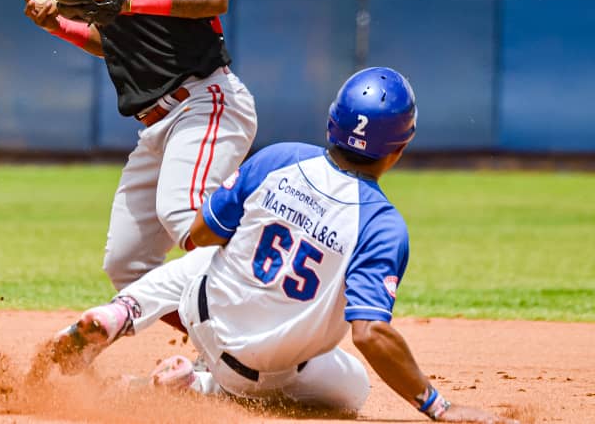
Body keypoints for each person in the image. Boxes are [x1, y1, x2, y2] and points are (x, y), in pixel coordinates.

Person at [42, 67, 518, 424]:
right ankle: (197, 385)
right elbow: (370, 333)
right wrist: (438, 406)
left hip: (204, 311)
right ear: (399, 148)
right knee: (354, 388)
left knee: (208, 259)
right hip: (266, 368)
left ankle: (122, 312)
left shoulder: (279, 159)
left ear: (332, 122)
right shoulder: (381, 225)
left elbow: (202, 233)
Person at [23, 0, 259, 322]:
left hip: (203, 101)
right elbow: (115, 44)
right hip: (157, 123)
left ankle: (264, 308)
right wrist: (57, 26)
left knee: (183, 215)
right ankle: (217, 343)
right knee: (127, 262)